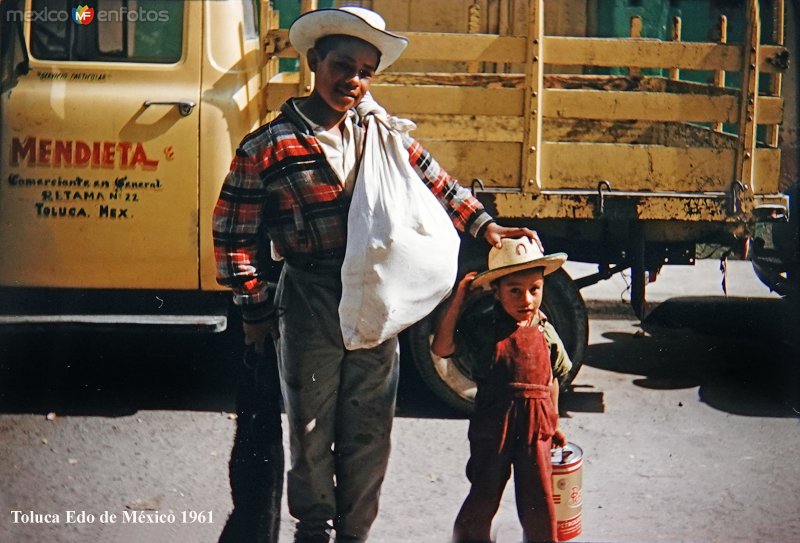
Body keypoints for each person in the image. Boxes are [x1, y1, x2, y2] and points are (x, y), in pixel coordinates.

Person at [213, 7, 536, 542]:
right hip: (311, 296)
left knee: (369, 430)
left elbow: (439, 183)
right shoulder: (268, 145)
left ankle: (355, 534)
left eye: (366, 71)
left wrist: (487, 229)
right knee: (311, 426)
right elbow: (232, 234)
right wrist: (253, 309)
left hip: (378, 299)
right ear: (315, 61)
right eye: (343, 65)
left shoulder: (381, 135)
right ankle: (313, 529)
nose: (354, 81)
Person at [432, 236, 572, 543]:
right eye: (515, 291)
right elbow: (442, 348)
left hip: (537, 427)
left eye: (535, 289)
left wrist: (555, 422)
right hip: (494, 425)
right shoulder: (483, 327)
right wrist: (459, 299)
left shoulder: (546, 330)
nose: (527, 300)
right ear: (496, 292)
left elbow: (552, 379)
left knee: (539, 501)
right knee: (483, 494)